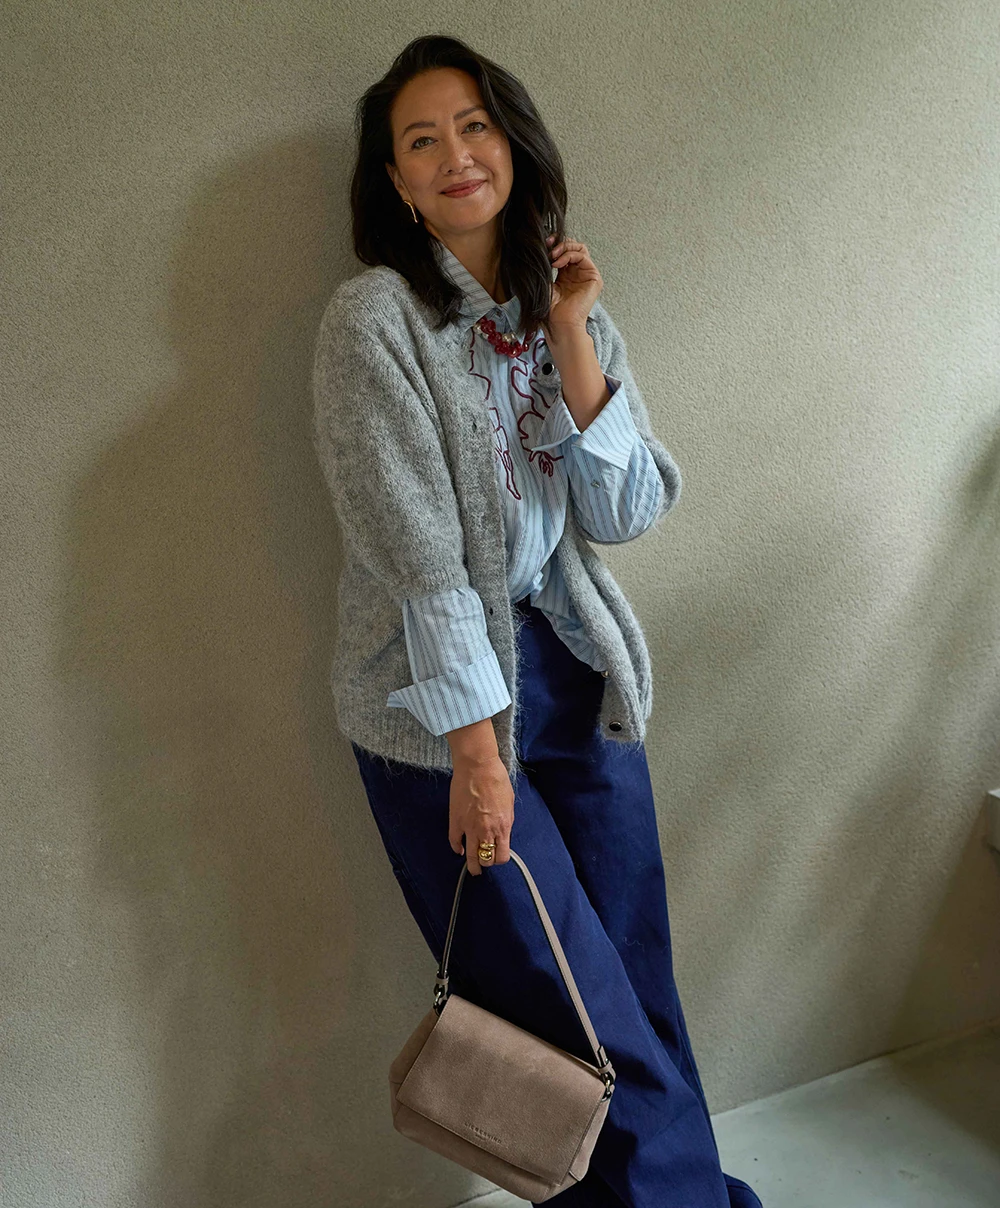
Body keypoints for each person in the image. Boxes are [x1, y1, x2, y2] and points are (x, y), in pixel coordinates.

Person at [312, 33, 763, 1208]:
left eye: (474, 125)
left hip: (572, 668)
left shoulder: (566, 305)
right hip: (443, 707)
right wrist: (476, 755)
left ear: (511, 141)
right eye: (422, 140)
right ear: (397, 183)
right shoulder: (374, 323)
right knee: (576, 1009)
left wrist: (570, 333)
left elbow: (624, 510)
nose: (456, 154)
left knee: (635, 981)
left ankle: (684, 1192)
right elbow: (418, 564)